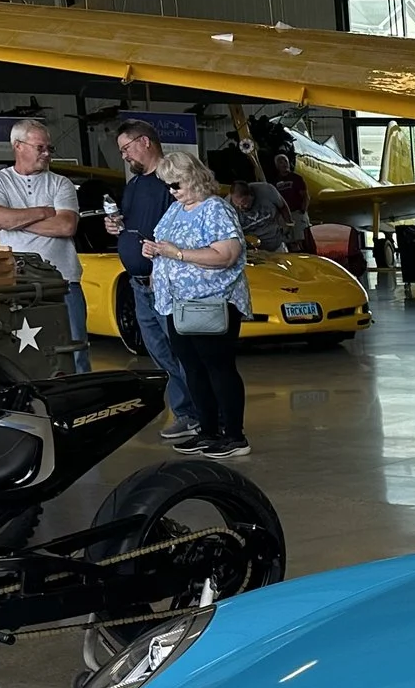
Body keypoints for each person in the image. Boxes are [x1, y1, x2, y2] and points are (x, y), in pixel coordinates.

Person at [146, 148, 252, 459]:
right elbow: (166, 246)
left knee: (218, 367)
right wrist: (154, 251)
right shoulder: (176, 210)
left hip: (212, 302)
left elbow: (226, 255)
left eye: (175, 184)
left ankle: (234, 435)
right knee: (193, 368)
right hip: (176, 305)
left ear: (193, 178)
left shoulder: (215, 209)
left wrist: (177, 254)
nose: (172, 191)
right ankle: (208, 430)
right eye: (167, 185)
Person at [0, 118, 90, 374]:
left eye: (49, 148)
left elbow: (65, 226)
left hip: (64, 281)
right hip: (19, 283)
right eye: (40, 147)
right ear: (18, 146)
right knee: (23, 352)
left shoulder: (61, 183)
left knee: (75, 349)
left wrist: (15, 221)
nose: (47, 153)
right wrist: (43, 211)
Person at [112, 120, 196, 443]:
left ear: (145, 142)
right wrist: (116, 227)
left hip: (167, 284)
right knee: (161, 352)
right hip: (139, 284)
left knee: (183, 351)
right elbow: (133, 224)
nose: (124, 156)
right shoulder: (134, 185)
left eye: (126, 148)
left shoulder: (172, 180)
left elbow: (190, 225)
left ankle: (201, 413)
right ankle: (187, 413)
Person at [270, 152, 313, 252]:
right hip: (283, 216)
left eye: (285, 161)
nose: (284, 164)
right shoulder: (274, 182)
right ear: (277, 166)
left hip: (297, 213)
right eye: (280, 162)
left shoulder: (296, 178)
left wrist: (303, 211)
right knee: (288, 241)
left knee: (302, 240)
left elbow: (305, 195)